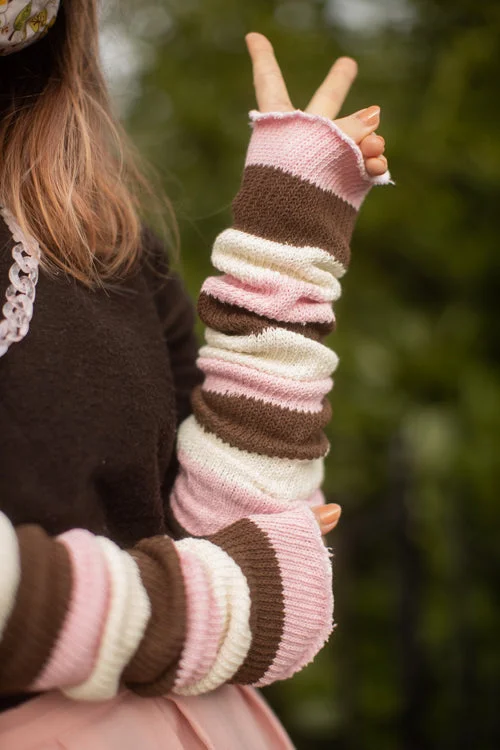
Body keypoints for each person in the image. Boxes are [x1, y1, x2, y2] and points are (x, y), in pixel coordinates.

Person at [0, 1, 390, 748]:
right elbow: (246, 584)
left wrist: (285, 243)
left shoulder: (100, 242)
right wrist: (213, 606)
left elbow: (234, 530)